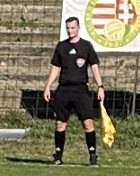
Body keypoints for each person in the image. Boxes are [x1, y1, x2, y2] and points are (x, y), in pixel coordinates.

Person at [42, 15, 104, 166]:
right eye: (68, 28)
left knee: (88, 122)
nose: (70, 31)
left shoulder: (86, 46)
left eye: (72, 28)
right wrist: (48, 86)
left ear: (78, 28)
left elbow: (94, 67)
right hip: (64, 89)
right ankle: (58, 155)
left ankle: (92, 155)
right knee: (60, 123)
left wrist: (100, 87)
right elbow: (55, 67)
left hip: (80, 90)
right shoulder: (61, 46)